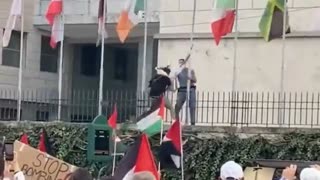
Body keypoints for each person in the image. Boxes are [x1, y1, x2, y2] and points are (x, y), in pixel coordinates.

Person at [172, 58, 197, 125]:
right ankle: (176, 122)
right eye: (179, 62)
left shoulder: (190, 70)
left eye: (182, 62)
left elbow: (195, 80)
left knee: (192, 106)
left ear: (184, 63)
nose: (180, 64)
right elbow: (173, 78)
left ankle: (192, 122)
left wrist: (190, 77)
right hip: (182, 90)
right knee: (177, 106)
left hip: (191, 89)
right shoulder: (178, 71)